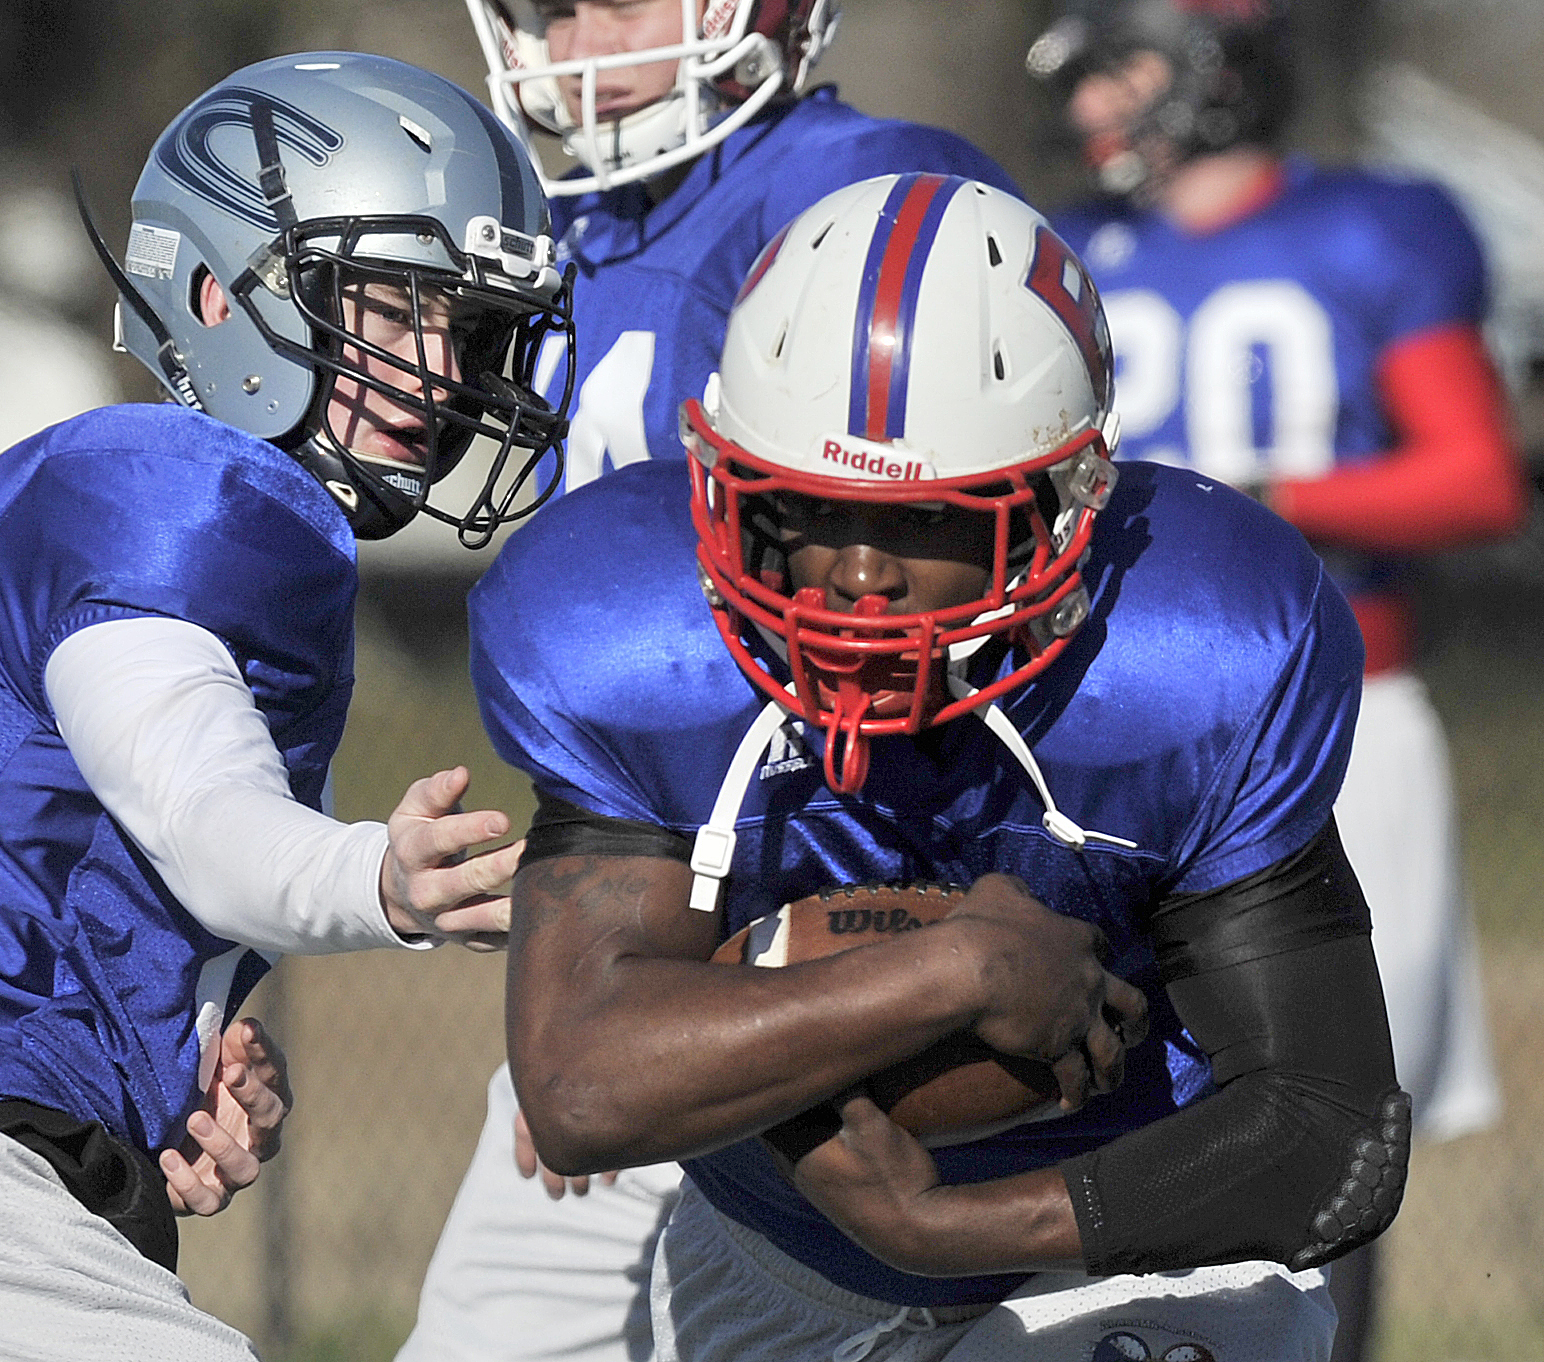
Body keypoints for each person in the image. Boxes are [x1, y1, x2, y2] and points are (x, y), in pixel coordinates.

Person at [0, 52, 571, 1361]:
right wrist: (379, 878)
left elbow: (61, 876)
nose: (442, 373)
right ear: (219, 291)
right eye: (395, 309)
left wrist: (150, 1081)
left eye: (468, 328)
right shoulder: (173, 488)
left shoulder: (123, 505)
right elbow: (205, 814)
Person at [476, 171, 1407, 1362]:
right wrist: (951, 972)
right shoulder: (633, 635)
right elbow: (578, 1088)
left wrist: (940, 1228)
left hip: (1122, 1264)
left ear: (1063, 503)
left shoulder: (1193, 649)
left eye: (928, 521)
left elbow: (1326, 1126)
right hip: (769, 1267)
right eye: (809, 512)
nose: (860, 577)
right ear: (724, 490)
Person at [400, 6, 1023, 1359]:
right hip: (648, 920)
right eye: (548, 7)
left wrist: (662, 1007)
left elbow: (912, 617)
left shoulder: (861, 190)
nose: (570, 36)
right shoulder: (573, 222)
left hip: (816, 914)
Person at [1025, 3, 1529, 1355]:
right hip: (1104, 730)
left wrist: (1245, 504)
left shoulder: (1371, 228)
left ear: (1214, 70)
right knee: (1093, 1078)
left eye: (1119, 71)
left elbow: (1476, 471)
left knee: (1331, 1099)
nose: (1089, 110)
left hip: (1342, 716)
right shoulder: (1066, 250)